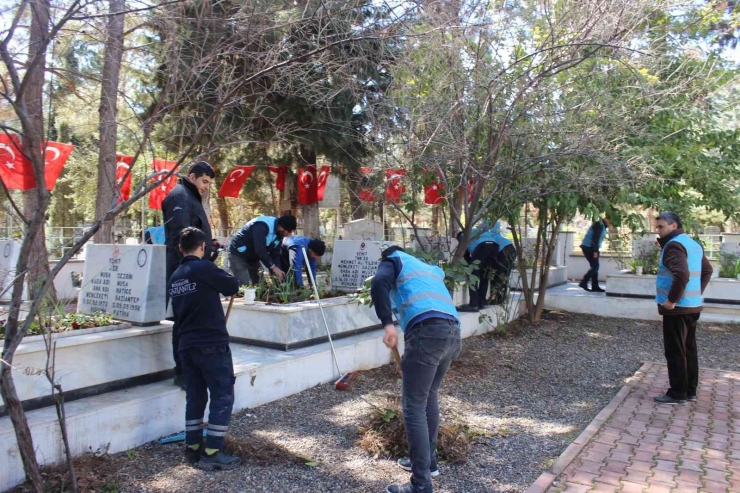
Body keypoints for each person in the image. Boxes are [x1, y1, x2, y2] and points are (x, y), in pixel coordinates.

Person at [371, 246, 462, 493]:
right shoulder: (426, 268)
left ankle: (421, 484)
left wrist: (387, 325)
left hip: (428, 334)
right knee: (429, 395)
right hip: (452, 333)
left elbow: (379, 282)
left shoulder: (393, 260)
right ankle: (428, 463)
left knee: (413, 406)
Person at [168, 227, 241, 470]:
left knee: (196, 396)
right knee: (222, 394)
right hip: (211, 343)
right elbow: (232, 286)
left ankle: (192, 448)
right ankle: (212, 452)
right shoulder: (205, 269)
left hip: (186, 345)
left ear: (180, 248)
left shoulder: (176, 275)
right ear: (202, 246)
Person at [162, 161, 220, 389]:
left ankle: (193, 370)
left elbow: (193, 235)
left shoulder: (189, 195)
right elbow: (181, 237)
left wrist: (208, 244)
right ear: (192, 176)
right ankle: (183, 373)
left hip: (193, 269)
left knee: (194, 322)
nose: (206, 187)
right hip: (186, 272)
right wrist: (193, 266)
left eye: (209, 183)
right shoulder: (180, 197)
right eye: (204, 181)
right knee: (183, 323)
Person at [653, 212, 712, 405]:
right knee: (688, 349)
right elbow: (707, 270)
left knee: (675, 350)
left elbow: (681, 273)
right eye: (657, 227)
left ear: (674, 226)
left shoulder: (674, 246)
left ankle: (677, 393)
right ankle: (690, 391)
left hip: (677, 308)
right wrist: (695, 291)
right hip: (692, 306)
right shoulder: (692, 243)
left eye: (661, 227)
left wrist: (672, 300)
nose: (658, 230)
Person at [227, 215, 297, 286]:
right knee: (246, 286)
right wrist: (273, 267)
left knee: (261, 286)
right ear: (282, 228)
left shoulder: (279, 235)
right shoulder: (261, 225)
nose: (288, 235)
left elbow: (275, 255)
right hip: (237, 255)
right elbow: (260, 249)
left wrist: (277, 273)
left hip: (253, 257)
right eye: (288, 232)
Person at [457, 225, 499, 312]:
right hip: (494, 246)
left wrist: (469, 269)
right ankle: (481, 302)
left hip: (483, 247)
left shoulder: (462, 236)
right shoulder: (474, 231)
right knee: (485, 275)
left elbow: (465, 255)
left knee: (472, 276)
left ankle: (473, 305)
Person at [579, 218, 610, 292]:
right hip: (589, 247)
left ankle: (595, 286)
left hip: (591, 247)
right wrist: (595, 251)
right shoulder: (599, 224)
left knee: (594, 267)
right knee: (595, 267)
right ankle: (584, 282)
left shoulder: (602, 225)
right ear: (607, 219)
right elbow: (595, 238)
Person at [489, 222, 516, 305]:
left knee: (498, 275)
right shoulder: (498, 235)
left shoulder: (489, 236)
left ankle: (496, 299)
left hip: (504, 252)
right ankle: (501, 298)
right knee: (505, 275)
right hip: (512, 250)